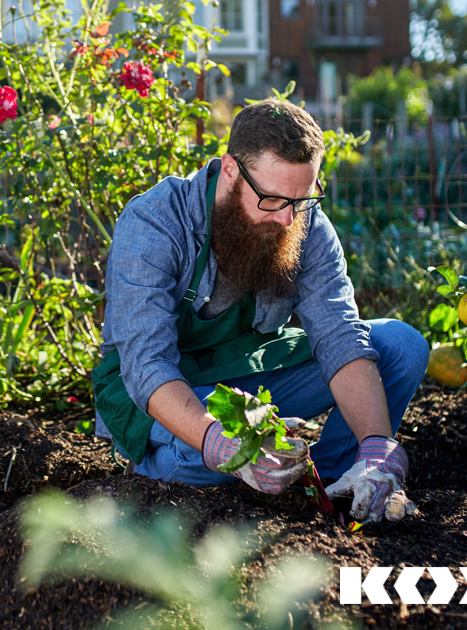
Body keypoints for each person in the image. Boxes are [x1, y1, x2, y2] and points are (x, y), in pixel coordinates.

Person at [92, 99, 428, 523]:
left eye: (302, 200)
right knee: (217, 453)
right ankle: (156, 473)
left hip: (247, 374)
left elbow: (339, 335)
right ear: (230, 170)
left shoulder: (304, 223)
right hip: (160, 389)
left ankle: (335, 484)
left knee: (400, 345)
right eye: (272, 199)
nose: (288, 219)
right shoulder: (156, 222)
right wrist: (218, 441)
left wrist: (376, 444)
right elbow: (147, 364)